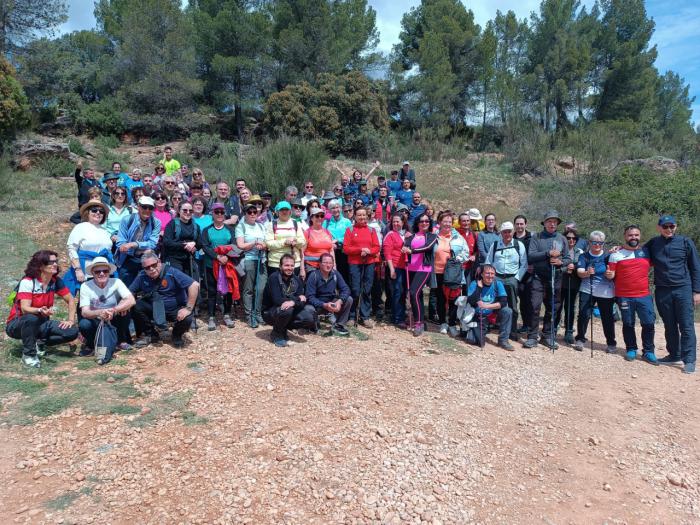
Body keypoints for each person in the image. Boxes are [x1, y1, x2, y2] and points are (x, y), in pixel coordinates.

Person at [645, 215, 700, 373]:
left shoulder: (685, 242)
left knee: (686, 325)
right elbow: (636, 251)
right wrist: (619, 249)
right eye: (665, 226)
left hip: (683, 288)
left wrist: (697, 291)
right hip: (662, 289)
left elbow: (695, 267)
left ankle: (689, 360)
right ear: (659, 227)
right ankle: (674, 354)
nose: (669, 229)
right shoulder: (653, 243)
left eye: (672, 226)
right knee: (669, 325)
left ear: (676, 227)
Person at [5, 250, 78, 368]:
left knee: (72, 331)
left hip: (42, 323)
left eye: (55, 261)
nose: (55, 264)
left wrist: (70, 320)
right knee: (31, 318)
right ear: (40, 265)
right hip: (17, 324)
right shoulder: (28, 282)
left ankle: (39, 343)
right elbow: (25, 309)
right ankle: (28, 355)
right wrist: (39, 310)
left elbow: (70, 300)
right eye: (50, 262)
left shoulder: (55, 281)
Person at [607, 225, 657, 364]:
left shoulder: (646, 252)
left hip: (644, 295)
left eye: (636, 235)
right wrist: (609, 275)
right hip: (624, 295)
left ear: (640, 236)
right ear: (625, 236)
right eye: (630, 235)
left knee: (648, 323)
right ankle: (631, 349)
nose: (633, 237)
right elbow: (611, 275)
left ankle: (648, 352)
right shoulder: (615, 254)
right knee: (628, 323)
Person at [129, 251, 199, 349]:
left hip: (174, 309)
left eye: (153, 265)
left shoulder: (172, 272)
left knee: (187, 317)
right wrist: (126, 304)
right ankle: (151, 335)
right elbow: (129, 292)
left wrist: (188, 308)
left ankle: (176, 335)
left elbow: (194, 285)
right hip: (154, 308)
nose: (151, 269)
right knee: (135, 305)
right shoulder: (141, 276)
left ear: (159, 262)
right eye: (147, 268)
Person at [524, 210, 571, 350]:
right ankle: (532, 336)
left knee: (553, 307)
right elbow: (530, 257)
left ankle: (547, 335)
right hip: (538, 277)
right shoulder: (536, 237)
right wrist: (547, 253)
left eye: (555, 222)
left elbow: (568, 259)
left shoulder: (562, 239)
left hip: (555, 277)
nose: (552, 224)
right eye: (549, 221)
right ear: (544, 223)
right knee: (534, 306)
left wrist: (560, 263)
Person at [78, 257, 135, 359]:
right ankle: (91, 344)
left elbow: (131, 300)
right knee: (84, 324)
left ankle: (120, 340)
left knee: (126, 309)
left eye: (105, 271)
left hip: (114, 315)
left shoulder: (116, 282)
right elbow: (85, 312)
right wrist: (101, 312)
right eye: (97, 271)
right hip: (95, 317)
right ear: (92, 273)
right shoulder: (86, 286)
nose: (101, 274)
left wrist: (115, 309)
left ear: (109, 272)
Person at [572, 231, 617, 353]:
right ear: (589, 242)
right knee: (583, 314)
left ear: (603, 243)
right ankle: (580, 339)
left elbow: (614, 273)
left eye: (600, 243)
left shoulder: (609, 256)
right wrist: (587, 273)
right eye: (594, 242)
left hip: (605, 291)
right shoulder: (584, 256)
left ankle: (611, 343)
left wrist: (610, 275)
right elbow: (579, 272)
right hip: (587, 289)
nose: (597, 245)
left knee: (607, 317)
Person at [262, 254, 318, 347]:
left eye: (292, 265)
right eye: (286, 265)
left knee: (309, 317)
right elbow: (277, 300)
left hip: (288, 309)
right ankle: (277, 333)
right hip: (269, 312)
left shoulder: (296, 279)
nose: (289, 268)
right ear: (280, 266)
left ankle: (283, 328)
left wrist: (293, 302)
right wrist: (297, 299)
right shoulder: (274, 277)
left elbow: (303, 302)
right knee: (287, 309)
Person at [484, 221, 527, 342]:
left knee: (513, 306)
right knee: (492, 302)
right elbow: (488, 261)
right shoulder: (496, 244)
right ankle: (489, 326)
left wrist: (516, 278)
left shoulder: (519, 245)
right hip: (496, 277)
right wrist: (490, 276)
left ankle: (512, 331)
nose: (507, 234)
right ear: (501, 233)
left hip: (512, 278)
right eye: (505, 232)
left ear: (513, 232)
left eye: (509, 231)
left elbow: (524, 264)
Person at [64, 199, 114, 296]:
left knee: (103, 299)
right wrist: (78, 269)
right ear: (88, 212)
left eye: (101, 211)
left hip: (104, 271)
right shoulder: (80, 227)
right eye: (94, 210)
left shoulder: (105, 230)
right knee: (86, 299)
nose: (98, 213)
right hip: (87, 270)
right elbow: (72, 248)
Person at [201, 202, 237, 330]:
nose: (220, 214)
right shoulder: (207, 230)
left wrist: (227, 257)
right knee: (212, 291)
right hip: (211, 264)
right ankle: (211, 317)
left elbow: (233, 244)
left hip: (227, 265)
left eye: (222, 212)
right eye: (217, 212)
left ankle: (227, 314)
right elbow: (205, 246)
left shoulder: (230, 230)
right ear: (212, 213)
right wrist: (217, 257)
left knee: (228, 291)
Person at [433, 210, 469, 336]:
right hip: (438, 272)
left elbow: (466, 253)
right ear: (440, 222)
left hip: (453, 273)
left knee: (454, 299)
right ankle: (443, 322)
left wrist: (458, 259)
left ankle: (452, 323)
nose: (447, 224)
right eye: (445, 221)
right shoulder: (434, 235)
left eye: (450, 222)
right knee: (441, 299)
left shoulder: (458, 237)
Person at [343, 207, 380, 328]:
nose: (362, 217)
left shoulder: (371, 230)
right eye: (359, 215)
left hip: (369, 262)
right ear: (355, 216)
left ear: (367, 216)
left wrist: (368, 251)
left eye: (364, 215)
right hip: (354, 263)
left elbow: (376, 247)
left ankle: (365, 316)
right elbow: (346, 248)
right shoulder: (350, 230)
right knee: (355, 289)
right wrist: (360, 250)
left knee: (367, 289)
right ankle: (352, 316)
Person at [402, 213, 438, 336]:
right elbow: (405, 247)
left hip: (424, 269)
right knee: (417, 295)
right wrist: (405, 248)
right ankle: (420, 320)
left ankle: (418, 323)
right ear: (417, 223)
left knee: (414, 293)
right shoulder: (411, 237)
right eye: (421, 221)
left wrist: (411, 250)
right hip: (411, 269)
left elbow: (427, 247)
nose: (424, 223)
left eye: (427, 221)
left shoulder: (432, 236)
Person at [464, 264, 514, 350]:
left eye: (492, 273)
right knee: (474, 341)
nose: (490, 276)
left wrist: (486, 306)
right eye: (487, 273)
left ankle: (503, 340)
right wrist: (479, 288)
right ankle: (481, 329)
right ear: (482, 274)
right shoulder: (474, 283)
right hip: (478, 315)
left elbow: (503, 302)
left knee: (507, 311)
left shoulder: (498, 284)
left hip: (492, 314)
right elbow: (471, 301)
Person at [115, 196, 162, 287]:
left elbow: (152, 243)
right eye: (144, 207)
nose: (147, 210)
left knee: (147, 289)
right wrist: (143, 247)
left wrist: (134, 244)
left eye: (150, 208)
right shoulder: (127, 219)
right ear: (138, 206)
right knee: (126, 288)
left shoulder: (156, 222)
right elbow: (121, 243)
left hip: (146, 259)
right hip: (128, 258)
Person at [235, 202, 268, 328]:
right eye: (250, 212)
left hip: (261, 259)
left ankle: (257, 313)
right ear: (245, 214)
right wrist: (254, 243)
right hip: (249, 260)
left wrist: (262, 245)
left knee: (260, 288)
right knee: (248, 289)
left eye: (255, 212)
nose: (253, 214)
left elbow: (266, 243)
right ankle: (249, 315)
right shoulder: (241, 226)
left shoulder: (261, 226)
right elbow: (240, 245)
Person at [306, 252, 353, 336]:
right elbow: (310, 297)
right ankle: (312, 325)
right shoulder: (313, 276)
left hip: (331, 302)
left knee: (348, 299)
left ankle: (339, 325)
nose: (328, 265)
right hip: (317, 304)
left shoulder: (335, 274)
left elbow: (346, 289)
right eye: (325, 263)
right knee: (308, 309)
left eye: (330, 263)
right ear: (319, 264)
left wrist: (339, 301)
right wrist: (324, 305)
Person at [266, 201, 306, 274]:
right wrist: (284, 242)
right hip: (276, 263)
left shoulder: (296, 223)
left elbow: (303, 241)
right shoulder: (271, 225)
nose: (284, 212)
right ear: (277, 212)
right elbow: (268, 243)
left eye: (286, 210)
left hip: (294, 263)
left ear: (290, 212)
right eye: (282, 210)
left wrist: (295, 242)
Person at [162, 201, 201, 276]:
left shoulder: (196, 226)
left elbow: (200, 243)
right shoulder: (172, 224)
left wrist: (194, 245)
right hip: (174, 258)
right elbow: (167, 242)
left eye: (190, 210)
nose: (188, 212)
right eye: (185, 210)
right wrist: (185, 245)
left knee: (194, 283)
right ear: (179, 211)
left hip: (190, 259)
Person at [383, 213, 408, 328]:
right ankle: (398, 318)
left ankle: (399, 315)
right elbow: (387, 254)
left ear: (403, 222)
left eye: (398, 221)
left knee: (403, 292)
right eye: (394, 222)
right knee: (397, 292)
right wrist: (392, 269)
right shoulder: (390, 235)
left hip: (405, 267)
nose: (396, 224)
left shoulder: (406, 235)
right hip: (395, 267)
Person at [561, 229, 584, 345]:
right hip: (560, 284)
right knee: (557, 307)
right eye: (568, 238)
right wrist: (566, 269)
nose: (571, 240)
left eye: (573, 238)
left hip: (573, 284)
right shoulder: (560, 251)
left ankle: (569, 331)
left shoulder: (579, 252)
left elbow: (582, 265)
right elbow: (556, 266)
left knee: (570, 308)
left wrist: (574, 268)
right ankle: (553, 330)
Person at [514, 214, 534, 333]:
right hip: (514, 273)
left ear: (525, 224)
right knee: (514, 301)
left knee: (527, 301)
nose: (519, 226)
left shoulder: (531, 238)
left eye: (522, 224)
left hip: (528, 274)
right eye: (517, 224)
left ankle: (528, 325)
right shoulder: (511, 238)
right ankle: (513, 325)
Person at [324, 199, 352, 282]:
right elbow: (323, 234)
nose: (335, 210)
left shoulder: (347, 222)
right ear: (329, 210)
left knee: (344, 273)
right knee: (331, 272)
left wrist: (337, 240)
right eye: (333, 208)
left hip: (343, 251)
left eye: (337, 207)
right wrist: (330, 243)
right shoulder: (326, 222)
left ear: (340, 208)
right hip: (331, 250)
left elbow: (349, 237)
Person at [303, 206, 335, 274]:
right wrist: (302, 269)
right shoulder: (307, 233)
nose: (320, 218)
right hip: (311, 266)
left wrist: (334, 265)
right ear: (311, 218)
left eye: (322, 216)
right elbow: (302, 252)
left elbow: (331, 250)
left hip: (327, 267)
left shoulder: (327, 232)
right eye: (317, 216)